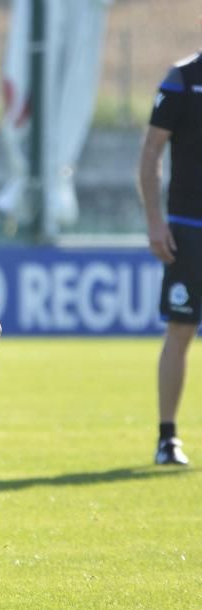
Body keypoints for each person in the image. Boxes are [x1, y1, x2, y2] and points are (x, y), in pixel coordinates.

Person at [137, 49, 201, 467]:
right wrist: (156, 221)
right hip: (188, 227)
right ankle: (167, 438)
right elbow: (150, 154)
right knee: (180, 330)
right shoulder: (182, 79)